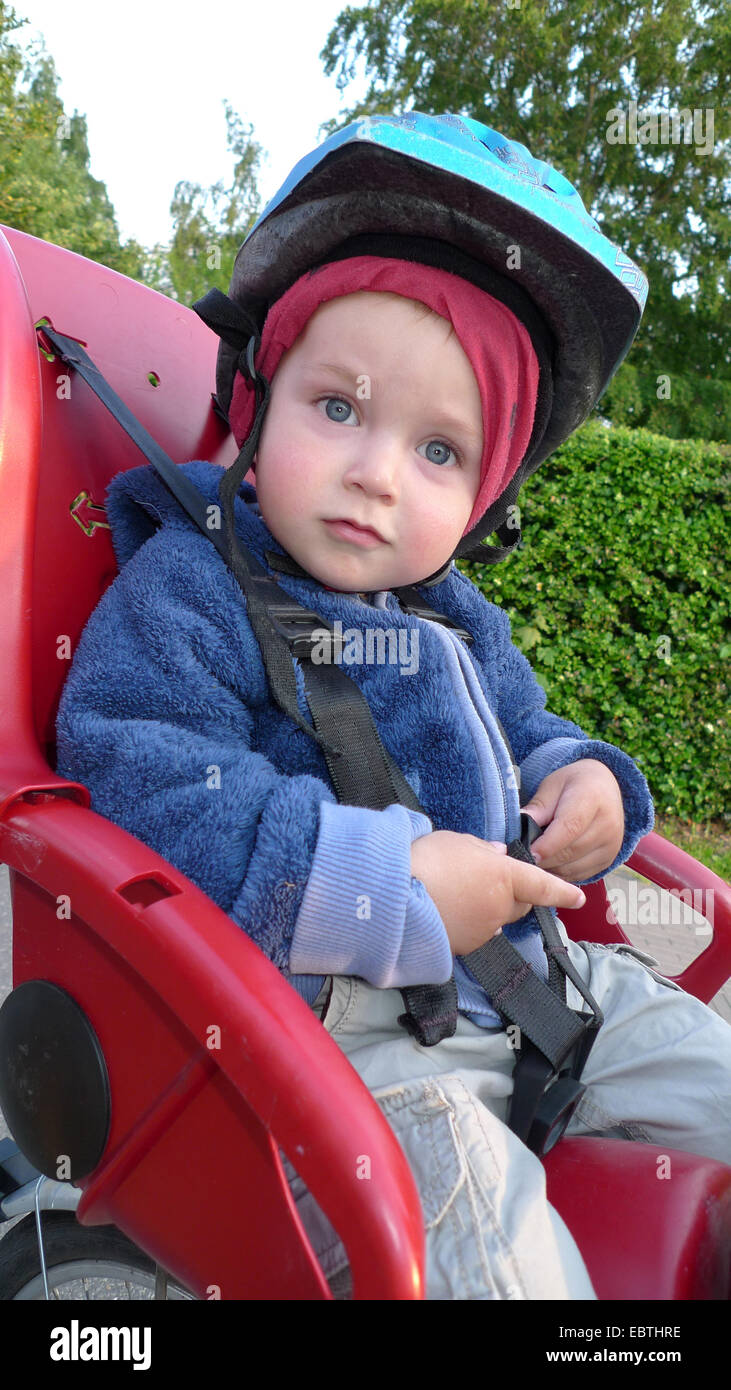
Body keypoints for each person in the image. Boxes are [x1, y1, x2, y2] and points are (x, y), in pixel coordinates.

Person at [54, 113, 731, 1300]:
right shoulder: (195, 586)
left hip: (549, 994)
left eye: (437, 450)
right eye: (337, 409)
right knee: (475, 1221)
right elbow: (132, 773)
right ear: (255, 404)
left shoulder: (455, 616)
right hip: (336, 1053)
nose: (376, 471)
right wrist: (386, 884)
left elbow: (527, 733)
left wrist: (585, 786)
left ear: (482, 497)